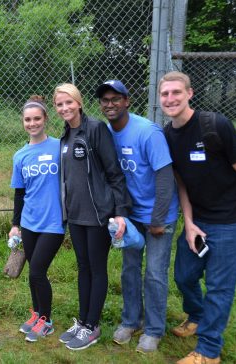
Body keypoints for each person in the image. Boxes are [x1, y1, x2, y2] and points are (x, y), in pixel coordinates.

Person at [160, 71, 236, 364]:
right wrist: (190, 223)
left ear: (190, 94)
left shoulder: (215, 126)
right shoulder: (167, 135)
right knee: (184, 275)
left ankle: (208, 351)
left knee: (219, 287)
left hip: (231, 222)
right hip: (199, 220)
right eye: (165, 94)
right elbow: (181, 183)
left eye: (176, 92)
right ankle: (196, 315)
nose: (170, 98)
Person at [95, 80, 179, 353]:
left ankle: (154, 330)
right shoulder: (106, 134)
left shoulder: (147, 132)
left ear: (127, 101)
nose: (110, 104)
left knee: (155, 273)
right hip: (129, 218)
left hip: (158, 213)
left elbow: (165, 178)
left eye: (115, 99)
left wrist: (158, 219)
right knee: (130, 270)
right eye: (105, 100)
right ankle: (131, 320)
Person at [54, 83, 131, 350]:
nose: (64, 108)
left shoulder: (96, 129)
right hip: (75, 216)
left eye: (68, 102)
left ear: (79, 102)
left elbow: (114, 173)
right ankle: (83, 322)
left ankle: (93, 326)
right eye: (59, 104)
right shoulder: (64, 136)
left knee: (97, 269)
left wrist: (119, 212)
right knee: (83, 267)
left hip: (99, 215)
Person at [9, 96, 66, 343]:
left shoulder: (59, 147)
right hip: (29, 223)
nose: (32, 123)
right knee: (34, 271)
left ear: (45, 120)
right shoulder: (20, 155)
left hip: (53, 223)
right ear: (23, 122)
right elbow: (19, 194)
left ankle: (47, 321)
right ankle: (36, 315)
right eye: (28, 119)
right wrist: (15, 225)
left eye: (37, 119)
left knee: (37, 272)